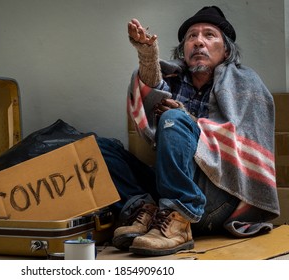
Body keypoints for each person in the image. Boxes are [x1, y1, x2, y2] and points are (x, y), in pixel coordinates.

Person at [99, 6, 280, 256]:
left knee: (174, 117)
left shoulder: (245, 84)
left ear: (226, 50)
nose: (198, 42)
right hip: (169, 185)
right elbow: (153, 91)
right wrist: (147, 55)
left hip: (218, 195)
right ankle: (146, 207)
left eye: (209, 35)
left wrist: (184, 116)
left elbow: (240, 145)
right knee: (100, 150)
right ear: (183, 50)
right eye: (192, 37)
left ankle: (181, 216)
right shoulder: (174, 78)